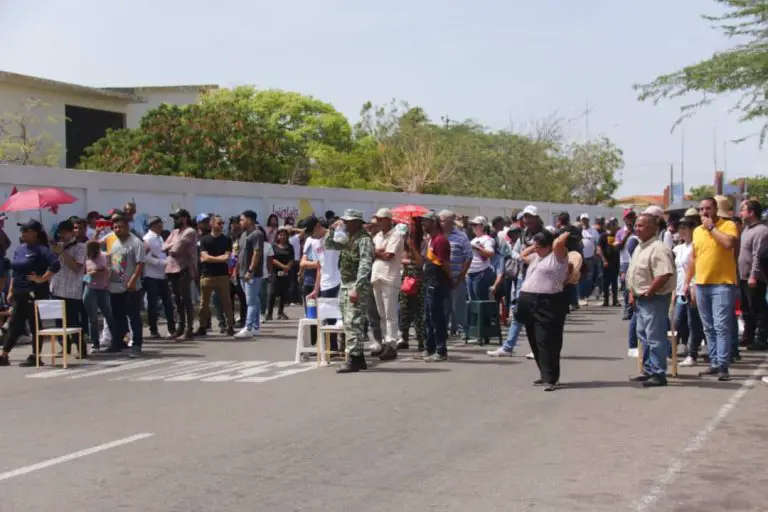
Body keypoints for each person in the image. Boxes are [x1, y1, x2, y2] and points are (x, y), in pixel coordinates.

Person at [683, 197, 739, 381]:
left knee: (721, 326)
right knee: (708, 327)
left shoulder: (727, 225)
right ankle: (714, 362)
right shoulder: (697, 231)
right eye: (701, 209)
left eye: (708, 208)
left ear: (715, 209)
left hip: (722, 284)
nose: (704, 212)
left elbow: (729, 244)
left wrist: (712, 228)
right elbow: (693, 258)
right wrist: (687, 282)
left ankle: (723, 365)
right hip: (701, 284)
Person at [0, 219, 60, 367]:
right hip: (19, 292)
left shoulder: (42, 250)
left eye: (26, 231)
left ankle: (35, 355)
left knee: (34, 324)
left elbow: (55, 264)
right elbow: (15, 271)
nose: (23, 233)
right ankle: (4, 354)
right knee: (15, 324)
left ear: (35, 233)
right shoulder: (20, 249)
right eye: (22, 231)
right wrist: (11, 290)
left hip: (34, 292)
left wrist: (42, 279)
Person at [515, 230, 570, 391]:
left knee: (547, 340)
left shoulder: (557, 257)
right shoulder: (536, 257)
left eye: (540, 246)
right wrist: (533, 247)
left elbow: (558, 244)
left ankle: (552, 378)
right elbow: (521, 256)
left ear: (549, 246)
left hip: (547, 302)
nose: (536, 249)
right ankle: (544, 373)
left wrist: (562, 233)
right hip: (528, 300)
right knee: (534, 339)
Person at [627, 214, 676, 387]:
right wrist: (632, 292)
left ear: (653, 228)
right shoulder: (640, 247)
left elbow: (664, 273)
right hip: (640, 298)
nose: (637, 229)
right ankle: (648, 370)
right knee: (644, 336)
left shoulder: (658, 248)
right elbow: (634, 272)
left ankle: (658, 373)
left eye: (641, 226)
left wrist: (650, 291)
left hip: (654, 298)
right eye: (636, 226)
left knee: (655, 337)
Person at [325, 209, 374, 373]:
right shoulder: (349, 238)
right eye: (344, 221)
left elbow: (365, 265)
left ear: (357, 223)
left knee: (354, 321)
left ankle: (353, 359)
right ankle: (358, 358)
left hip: (355, 285)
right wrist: (332, 229)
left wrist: (357, 288)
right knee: (348, 322)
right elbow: (329, 244)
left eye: (348, 221)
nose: (345, 223)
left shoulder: (364, 240)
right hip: (346, 283)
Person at [105, 215, 146, 357]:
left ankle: (137, 344)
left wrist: (133, 280)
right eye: (115, 227)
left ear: (127, 227)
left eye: (120, 227)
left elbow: (140, 263)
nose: (117, 229)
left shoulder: (136, 242)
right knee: (118, 316)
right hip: (115, 286)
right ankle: (118, 342)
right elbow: (113, 263)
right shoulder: (115, 243)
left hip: (131, 287)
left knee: (133, 316)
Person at [370, 208, 404, 360]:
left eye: (381, 219)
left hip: (389, 278)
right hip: (377, 277)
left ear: (388, 220)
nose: (378, 222)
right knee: (381, 314)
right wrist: (378, 251)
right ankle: (385, 341)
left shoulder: (396, 235)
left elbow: (388, 255)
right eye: (377, 219)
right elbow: (374, 253)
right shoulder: (378, 236)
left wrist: (375, 251)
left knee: (390, 315)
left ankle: (392, 344)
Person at [49, 219, 86, 356]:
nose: (62, 236)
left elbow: (77, 267)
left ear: (72, 233)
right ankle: (64, 347)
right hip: (56, 287)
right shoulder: (56, 246)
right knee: (58, 321)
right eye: (60, 234)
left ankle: (81, 348)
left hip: (72, 290)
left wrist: (63, 252)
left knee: (73, 320)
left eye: (65, 233)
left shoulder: (81, 247)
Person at [421, 211, 452, 361]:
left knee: (437, 317)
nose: (423, 224)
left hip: (438, 283)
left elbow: (445, 264)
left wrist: (450, 279)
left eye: (426, 221)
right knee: (429, 317)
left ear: (433, 222)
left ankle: (441, 350)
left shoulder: (440, 240)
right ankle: (430, 347)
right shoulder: (431, 240)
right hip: (430, 282)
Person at [197, 215, 236, 336]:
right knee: (204, 303)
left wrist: (211, 259)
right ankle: (202, 326)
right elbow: (204, 257)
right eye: (219, 223)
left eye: (222, 223)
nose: (221, 225)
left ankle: (230, 326)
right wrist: (219, 258)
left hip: (222, 275)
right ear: (211, 224)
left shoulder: (227, 239)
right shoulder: (204, 239)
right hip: (207, 275)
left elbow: (227, 257)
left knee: (226, 302)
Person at [738, 199, 768, 351]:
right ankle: (748, 336)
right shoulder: (746, 229)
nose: (740, 213)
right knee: (746, 308)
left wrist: (754, 275)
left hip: (753, 277)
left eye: (743, 210)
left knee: (758, 308)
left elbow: (757, 255)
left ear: (751, 212)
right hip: (743, 276)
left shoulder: (762, 231)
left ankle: (761, 338)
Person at [164, 208, 198, 341]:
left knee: (185, 299)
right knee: (176, 300)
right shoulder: (174, 232)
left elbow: (175, 250)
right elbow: (164, 246)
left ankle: (189, 329)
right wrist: (173, 245)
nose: (175, 221)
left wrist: (172, 246)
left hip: (184, 268)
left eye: (177, 218)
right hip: (171, 269)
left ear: (184, 218)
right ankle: (180, 327)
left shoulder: (190, 231)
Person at [674, 219, 704, 367]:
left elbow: (696, 268)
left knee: (693, 322)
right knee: (678, 321)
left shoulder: (695, 246)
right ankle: (684, 346)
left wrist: (692, 285)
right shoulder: (678, 248)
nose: (682, 231)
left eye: (685, 228)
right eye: (680, 228)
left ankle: (692, 354)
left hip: (692, 288)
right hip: (680, 289)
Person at [143, 216, 176, 338]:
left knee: (168, 302)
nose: (161, 226)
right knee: (153, 304)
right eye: (159, 224)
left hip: (162, 275)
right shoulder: (147, 239)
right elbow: (144, 257)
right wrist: (160, 262)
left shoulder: (160, 237)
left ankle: (172, 329)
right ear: (153, 225)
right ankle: (153, 330)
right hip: (151, 275)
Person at [235, 210, 264, 339]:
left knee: (250, 301)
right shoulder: (243, 235)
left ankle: (249, 327)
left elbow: (257, 254)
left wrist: (250, 270)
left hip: (252, 274)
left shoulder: (256, 234)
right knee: (254, 300)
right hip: (242, 273)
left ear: (249, 220)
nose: (240, 222)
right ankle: (256, 326)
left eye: (242, 220)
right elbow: (240, 254)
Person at [83, 240, 115, 352]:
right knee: (92, 318)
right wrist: (90, 273)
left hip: (103, 289)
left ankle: (116, 340)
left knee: (109, 315)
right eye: (89, 251)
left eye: (93, 251)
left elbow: (111, 269)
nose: (91, 254)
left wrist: (103, 271)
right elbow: (82, 274)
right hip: (90, 288)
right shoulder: (86, 258)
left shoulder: (105, 256)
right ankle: (95, 343)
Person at [398, 219, 425, 351]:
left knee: (418, 311)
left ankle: (421, 340)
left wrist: (413, 248)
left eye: (413, 225)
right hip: (406, 279)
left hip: (419, 280)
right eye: (410, 225)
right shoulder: (405, 242)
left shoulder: (424, 241)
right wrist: (408, 258)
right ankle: (404, 338)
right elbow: (400, 259)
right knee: (404, 310)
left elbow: (420, 262)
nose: (411, 228)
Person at [267, 228, 295, 321]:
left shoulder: (290, 247)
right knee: (272, 292)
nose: (282, 237)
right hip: (275, 271)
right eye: (280, 235)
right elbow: (272, 259)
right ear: (277, 236)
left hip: (286, 272)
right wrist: (283, 266)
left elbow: (292, 258)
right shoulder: (273, 247)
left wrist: (287, 266)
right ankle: (269, 313)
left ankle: (280, 312)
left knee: (284, 292)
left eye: (284, 235)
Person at [467, 216, 496, 302]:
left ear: (482, 226)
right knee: (472, 301)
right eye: (472, 225)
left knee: (481, 301)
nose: (473, 227)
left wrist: (476, 247)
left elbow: (490, 253)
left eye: (475, 225)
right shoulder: (473, 240)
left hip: (481, 272)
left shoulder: (488, 239)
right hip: (471, 273)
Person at [597, 220, 620, 307]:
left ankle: (615, 300)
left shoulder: (617, 235)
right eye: (612, 225)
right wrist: (604, 260)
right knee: (605, 282)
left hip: (615, 262)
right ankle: (606, 300)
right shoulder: (603, 235)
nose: (614, 227)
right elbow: (599, 248)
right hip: (606, 262)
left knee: (614, 282)